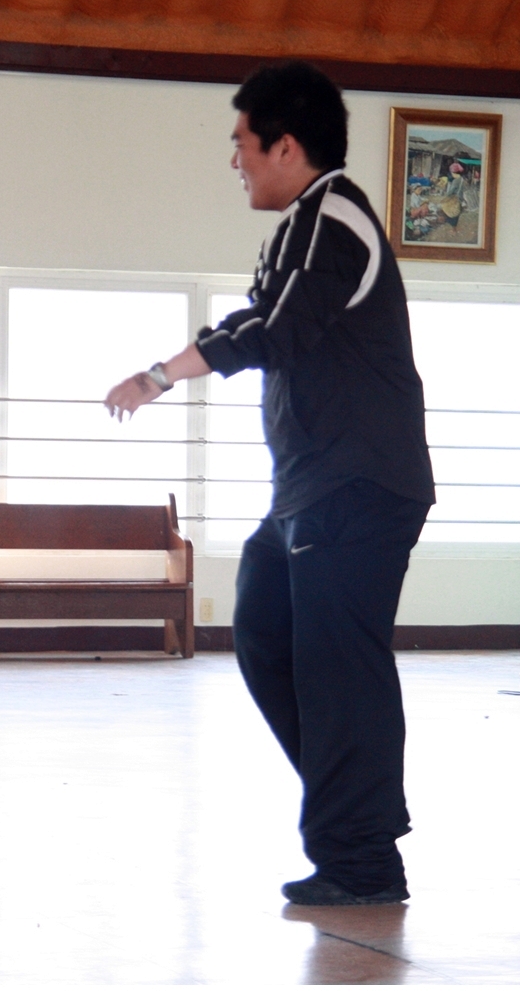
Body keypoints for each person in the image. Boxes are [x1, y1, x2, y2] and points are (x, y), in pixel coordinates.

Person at [103, 61, 435, 905]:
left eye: (242, 143)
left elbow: (276, 331)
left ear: (286, 146)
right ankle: (357, 814)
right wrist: (165, 368)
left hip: (359, 484)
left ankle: (361, 855)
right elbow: (260, 317)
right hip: (309, 488)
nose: (235, 160)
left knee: (338, 666)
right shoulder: (300, 226)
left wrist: (162, 374)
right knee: (262, 627)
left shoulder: (335, 218)